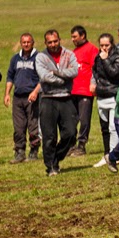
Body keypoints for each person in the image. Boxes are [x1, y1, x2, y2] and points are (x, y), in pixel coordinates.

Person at [34, 30, 79, 176]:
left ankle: (56, 157)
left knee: (71, 133)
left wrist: (57, 74)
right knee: (49, 136)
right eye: (50, 42)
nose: (53, 44)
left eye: (55, 41)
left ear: (60, 39)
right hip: (48, 98)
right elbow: (44, 76)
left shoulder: (69, 54)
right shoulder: (41, 57)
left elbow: (74, 72)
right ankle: (51, 167)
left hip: (66, 97)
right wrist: (64, 79)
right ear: (45, 43)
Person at [4, 32, 41, 163]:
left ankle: (34, 151)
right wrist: (7, 93)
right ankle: (19, 152)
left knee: (33, 125)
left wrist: (36, 92)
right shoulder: (15, 59)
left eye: (28, 42)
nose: (26, 44)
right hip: (17, 97)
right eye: (24, 42)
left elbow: (43, 78)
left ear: (33, 42)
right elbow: (10, 77)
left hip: (32, 97)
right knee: (18, 127)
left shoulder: (38, 58)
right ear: (21, 43)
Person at [91, 33, 119, 168]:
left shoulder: (118, 56)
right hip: (101, 95)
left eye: (107, 45)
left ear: (112, 44)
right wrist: (93, 83)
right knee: (104, 128)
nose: (104, 48)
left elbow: (115, 73)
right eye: (101, 45)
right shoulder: (97, 57)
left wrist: (105, 60)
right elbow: (95, 71)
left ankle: (114, 156)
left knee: (113, 127)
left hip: (113, 94)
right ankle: (106, 154)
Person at [69, 25, 98, 156]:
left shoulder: (92, 49)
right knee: (71, 119)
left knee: (84, 119)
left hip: (85, 91)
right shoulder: (74, 51)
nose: (72, 39)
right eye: (72, 37)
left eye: (75, 37)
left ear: (83, 36)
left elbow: (96, 69)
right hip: (73, 90)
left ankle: (81, 145)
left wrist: (93, 85)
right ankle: (71, 145)